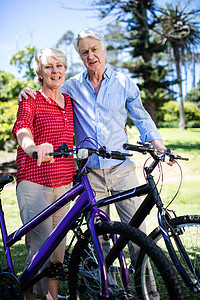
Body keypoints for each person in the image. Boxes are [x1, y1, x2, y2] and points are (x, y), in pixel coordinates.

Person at [18, 28, 176, 266]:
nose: (91, 56)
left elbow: (142, 119)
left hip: (122, 169)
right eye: (84, 52)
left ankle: (148, 292)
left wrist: (160, 147)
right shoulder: (71, 87)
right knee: (100, 237)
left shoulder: (124, 83)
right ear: (80, 57)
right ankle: (109, 290)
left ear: (103, 50)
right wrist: (26, 90)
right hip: (90, 174)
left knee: (137, 235)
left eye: (94, 50)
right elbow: (47, 90)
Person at [13, 47, 76, 300]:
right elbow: (22, 128)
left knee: (58, 249)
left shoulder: (69, 101)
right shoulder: (31, 99)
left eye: (59, 66)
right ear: (39, 72)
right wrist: (32, 147)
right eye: (49, 66)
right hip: (34, 180)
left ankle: (52, 296)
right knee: (40, 246)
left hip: (63, 182)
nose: (55, 71)